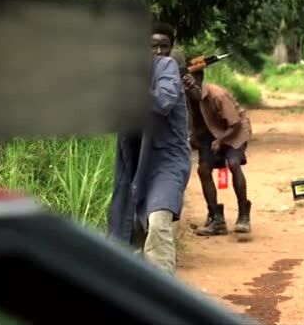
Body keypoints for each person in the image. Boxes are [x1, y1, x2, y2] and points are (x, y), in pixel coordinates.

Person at [107, 21, 191, 276]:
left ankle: (165, 298)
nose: (157, 52)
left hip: (166, 162)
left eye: (162, 47)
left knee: (157, 222)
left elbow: (163, 102)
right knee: (127, 233)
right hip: (135, 165)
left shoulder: (166, 67)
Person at [182, 68, 253, 236]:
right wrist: (194, 138)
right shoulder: (186, 97)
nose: (187, 88)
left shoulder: (217, 95)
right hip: (209, 135)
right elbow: (193, 121)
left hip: (234, 130)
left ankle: (243, 214)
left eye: (190, 84)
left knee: (234, 164)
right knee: (203, 170)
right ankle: (216, 219)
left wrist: (221, 141)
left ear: (198, 81)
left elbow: (235, 123)